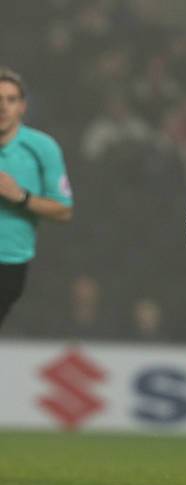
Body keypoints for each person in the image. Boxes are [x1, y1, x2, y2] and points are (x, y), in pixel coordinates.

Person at [0, 67, 73, 327]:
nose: (3, 107)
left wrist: (20, 197)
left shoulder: (42, 148)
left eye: (11, 100)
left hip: (10, 262)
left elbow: (63, 210)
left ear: (23, 106)